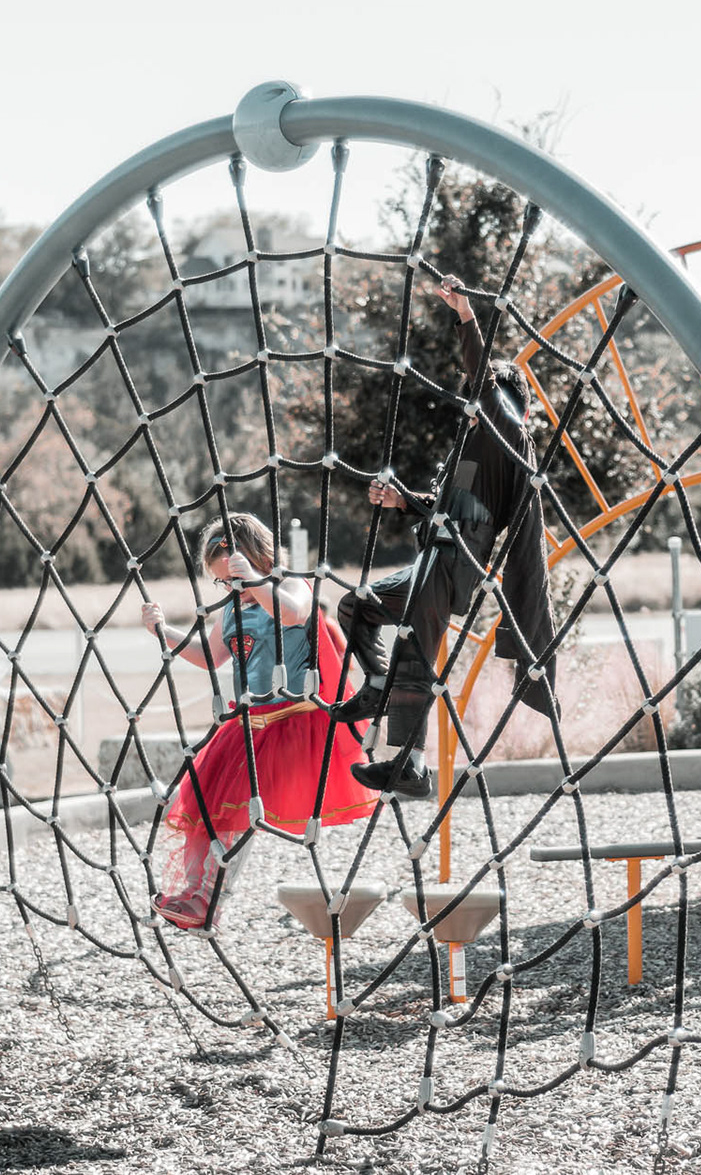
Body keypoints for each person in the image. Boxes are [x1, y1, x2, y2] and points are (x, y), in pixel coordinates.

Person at [336, 273, 557, 800]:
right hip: (436, 555)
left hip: (457, 562)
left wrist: (465, 315)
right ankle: (375, 684)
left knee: (416, 653)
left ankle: (410, 765)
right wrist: (402, 501)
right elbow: (448, 508)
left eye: (481, 396)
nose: (470, 406)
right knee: (357, 606)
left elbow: (483, 380)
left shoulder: (508, 435)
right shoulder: (470, 451)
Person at [142, 512, 378, 931]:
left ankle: (209, 898)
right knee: (203, 801)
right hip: (248, 723)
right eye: (223, 583)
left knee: (240, 810)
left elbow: (292, 613)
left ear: (258, 559)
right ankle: (193, 895)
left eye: (232, 578)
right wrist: (164, 631)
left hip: (294, 721)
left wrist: (252, 580)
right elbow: (210, 656)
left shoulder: (291, 585)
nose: (231, 589)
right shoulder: (233, 608)